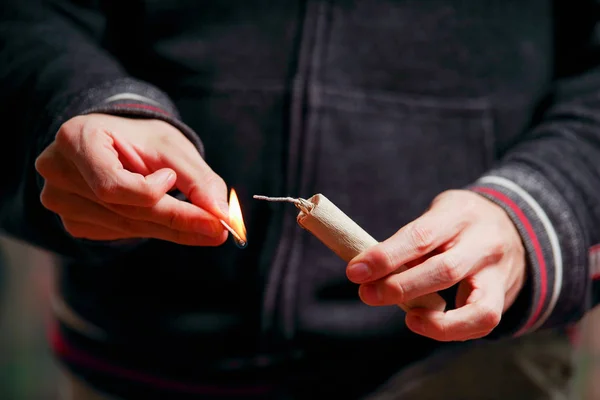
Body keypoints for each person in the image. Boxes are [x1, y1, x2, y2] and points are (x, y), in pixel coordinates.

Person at [0, 0, 599, 398]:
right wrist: (81, 105)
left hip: (461, 371)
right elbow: (26, 17)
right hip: (138, 360)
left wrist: (536, 208)